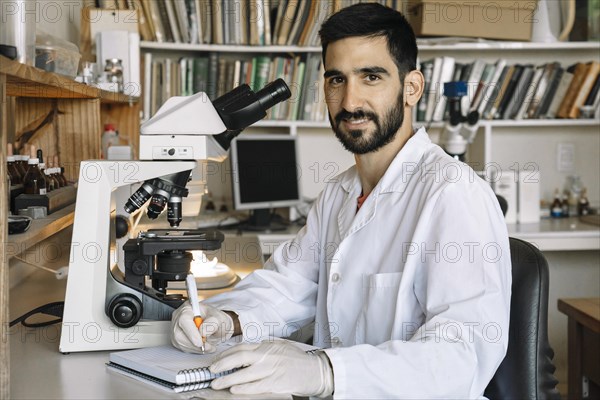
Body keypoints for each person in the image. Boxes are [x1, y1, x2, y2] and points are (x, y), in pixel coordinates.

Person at [171, 3, 511, 398]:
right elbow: (291, 285)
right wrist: (224, 318)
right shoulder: (338, 193)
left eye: (371, 77)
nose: (350, 101)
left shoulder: (453, 194)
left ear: (412, 87)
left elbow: (462, 356)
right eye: (336, 80)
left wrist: (327, 372)